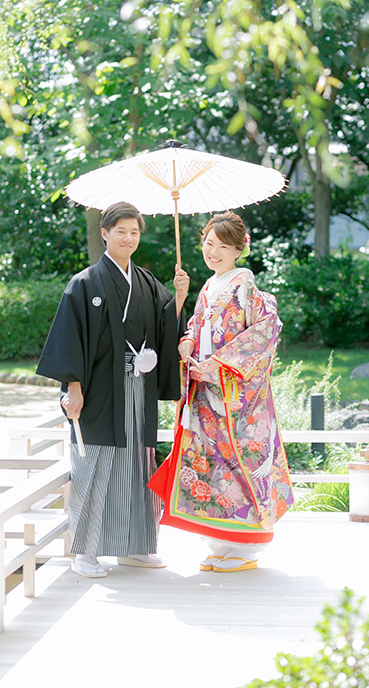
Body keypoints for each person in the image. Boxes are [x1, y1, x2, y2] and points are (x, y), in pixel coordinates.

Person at [36, 201, 190, 578]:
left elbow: (166, 325)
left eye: (134, 232)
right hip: (100, 389)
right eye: (121, 231)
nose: (128, 238)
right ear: (104, 233)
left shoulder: (147, 282)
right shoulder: (85, 283)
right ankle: (85, 551)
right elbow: (71, 338)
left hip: (138, 386)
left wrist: (180, 298)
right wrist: (73, 387)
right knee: (95, 464)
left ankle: (134, 546)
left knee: (137, 464)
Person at [149, 211, 293, 573]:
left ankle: (246, 547)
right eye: (209, 244)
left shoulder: (245, 286)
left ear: (239, 250)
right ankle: (221, 543)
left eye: (223, 247)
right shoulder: (208, 287)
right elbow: (197, 326)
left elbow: (263, 333)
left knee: (240, 463)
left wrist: (219, 363)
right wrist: (186, 341)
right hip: (206, 392)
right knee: (211, 465)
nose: (213, 253)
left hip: (236, 396)